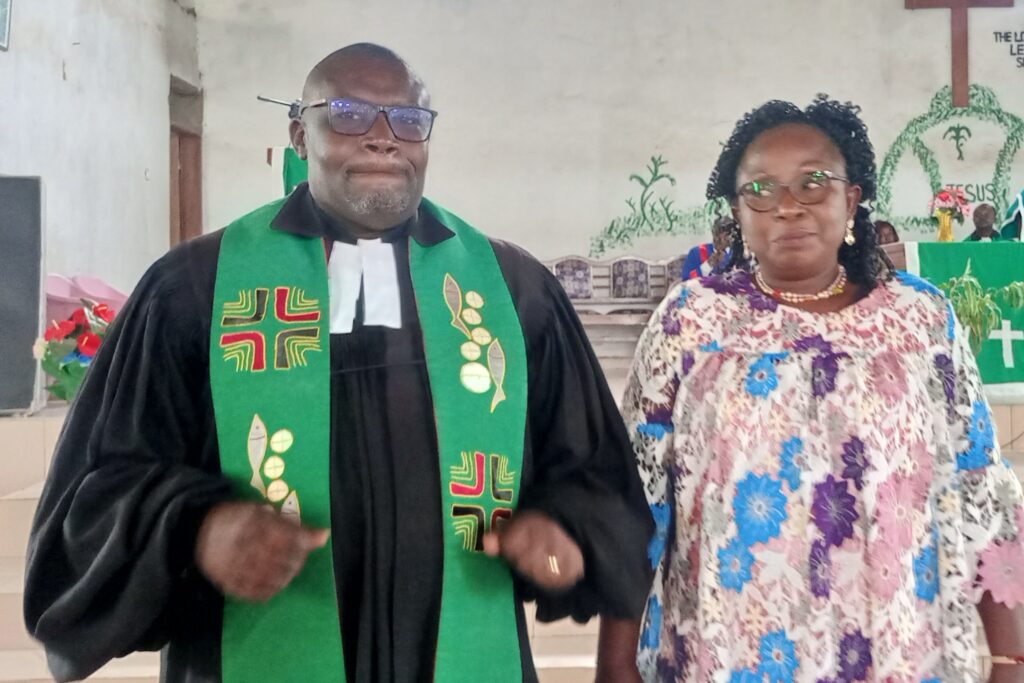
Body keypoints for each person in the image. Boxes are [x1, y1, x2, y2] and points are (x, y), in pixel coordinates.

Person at [25, 43, 652, 683]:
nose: (384, 140)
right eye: (349, 114)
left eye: (408, 120)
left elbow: (596, 474)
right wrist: (200, 526)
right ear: (300, 132)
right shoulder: (195, 290)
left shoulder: (514, 293)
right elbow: (97, 490)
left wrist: (561, 529)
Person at [597, 96, 1024, 682]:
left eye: (813, 183)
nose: (788, 207)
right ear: (737, 213)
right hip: (728, 652)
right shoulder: (690, 321)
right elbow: (636, 504)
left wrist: (1009, 657)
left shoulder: (921, 320)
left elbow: (984, 492)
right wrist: (614, 667)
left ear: (852, 199)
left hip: (898, 650)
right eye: (762, 190)